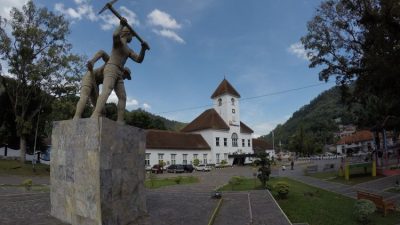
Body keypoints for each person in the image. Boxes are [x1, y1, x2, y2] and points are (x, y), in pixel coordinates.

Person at [91, 17, 149, 124]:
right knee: (107, 90)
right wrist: (121, 25)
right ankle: (96, 114)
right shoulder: (118, 42)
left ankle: (120, 120)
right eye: (132, 35)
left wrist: (143, 49)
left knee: (123, 97)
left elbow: (139, 59)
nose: (132, 38)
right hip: (111, 67)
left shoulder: (128, 50)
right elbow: (114, 35)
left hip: (119, 72)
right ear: (128, 34)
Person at [73, 50, 132, 119]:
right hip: (89, 76)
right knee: (84, 96)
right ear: (123, 72)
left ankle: (95, 120)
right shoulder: (111, 62)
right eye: (125, 76)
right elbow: (102, 52)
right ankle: (76, 117)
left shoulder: (117, 78)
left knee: (99, 107)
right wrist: (92, 61)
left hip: (96, 83)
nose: (124, 78)